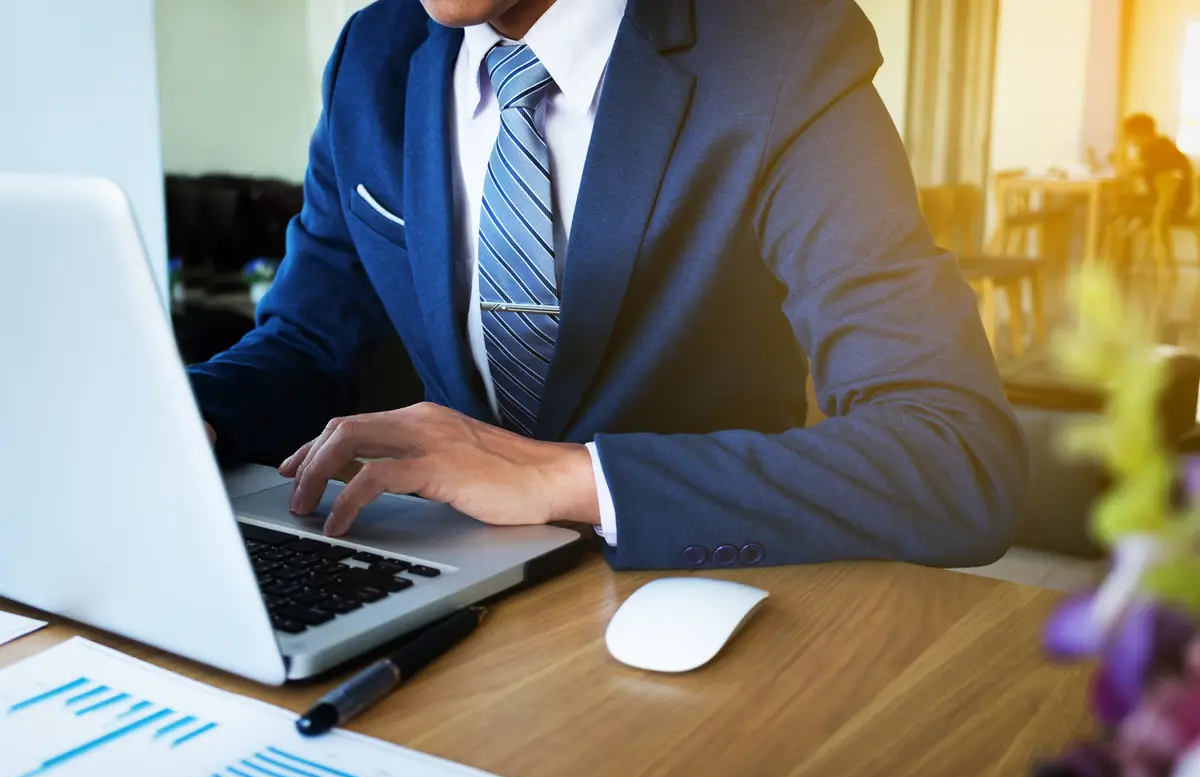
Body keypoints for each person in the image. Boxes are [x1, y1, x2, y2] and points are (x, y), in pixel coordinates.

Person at [189, 0, 1028, 571]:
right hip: (439, 597)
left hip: (701, 601)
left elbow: (954, 455)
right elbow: (304, 343)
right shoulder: (374, 55)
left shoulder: (780, 48)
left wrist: (560, 479)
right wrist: (177, 413)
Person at [1119, 114, 1194, 222]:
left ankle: (1112, 238)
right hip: (1179, 206)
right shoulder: (1165, 145)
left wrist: (1121, 150)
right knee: (1126, 202)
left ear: (1142, 135)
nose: (1130, 141)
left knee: (1118, 206)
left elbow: (1127, 171)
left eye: (1130, 136)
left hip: (1166, 208)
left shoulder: (1152, 150)